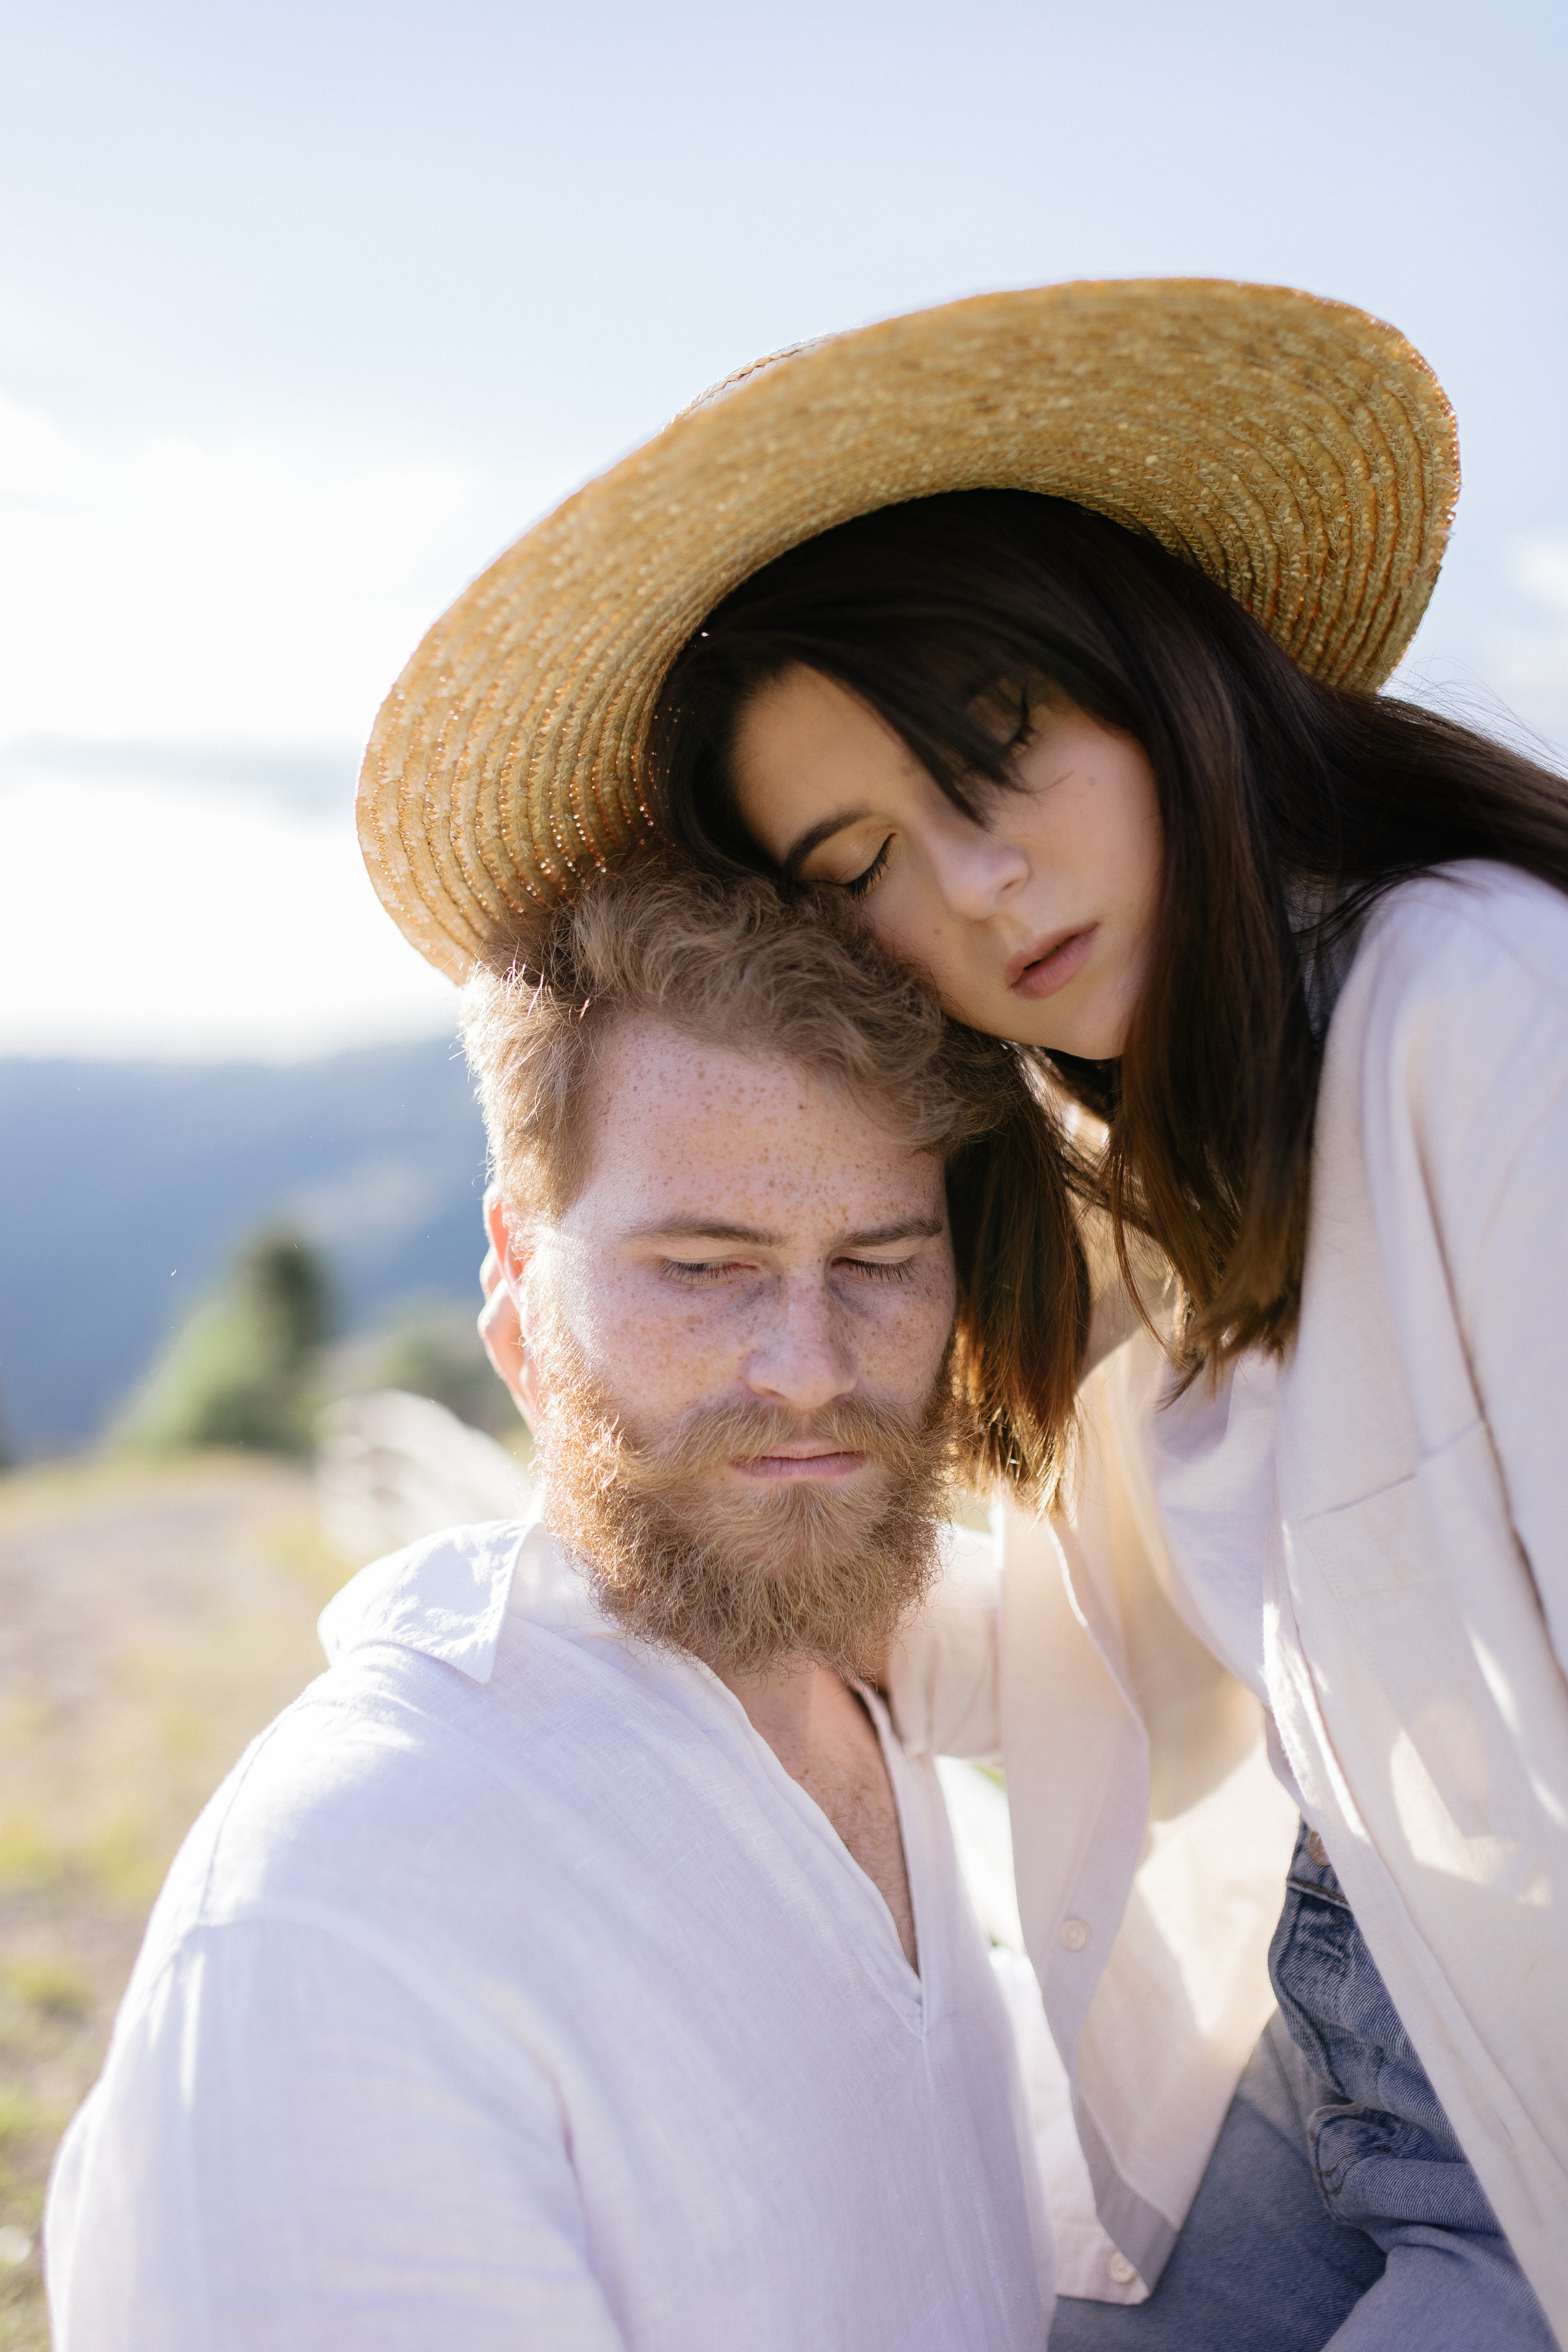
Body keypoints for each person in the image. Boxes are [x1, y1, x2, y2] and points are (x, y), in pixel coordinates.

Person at [356, 281, 1568, 2346]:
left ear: (1155, 662)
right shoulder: (1147, 1148)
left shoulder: (1477, 1007)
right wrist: (696, 1534)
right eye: (862, 867)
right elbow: (1164, 1640)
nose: (980, 890)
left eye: (1000, 748)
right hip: (1329, 2039)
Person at [45, 864, 1060, 2350]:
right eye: (702, 1266)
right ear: (519, 1291)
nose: (808, 1367)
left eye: (878, 1261)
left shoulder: (860, 1682)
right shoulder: (343, 1911)